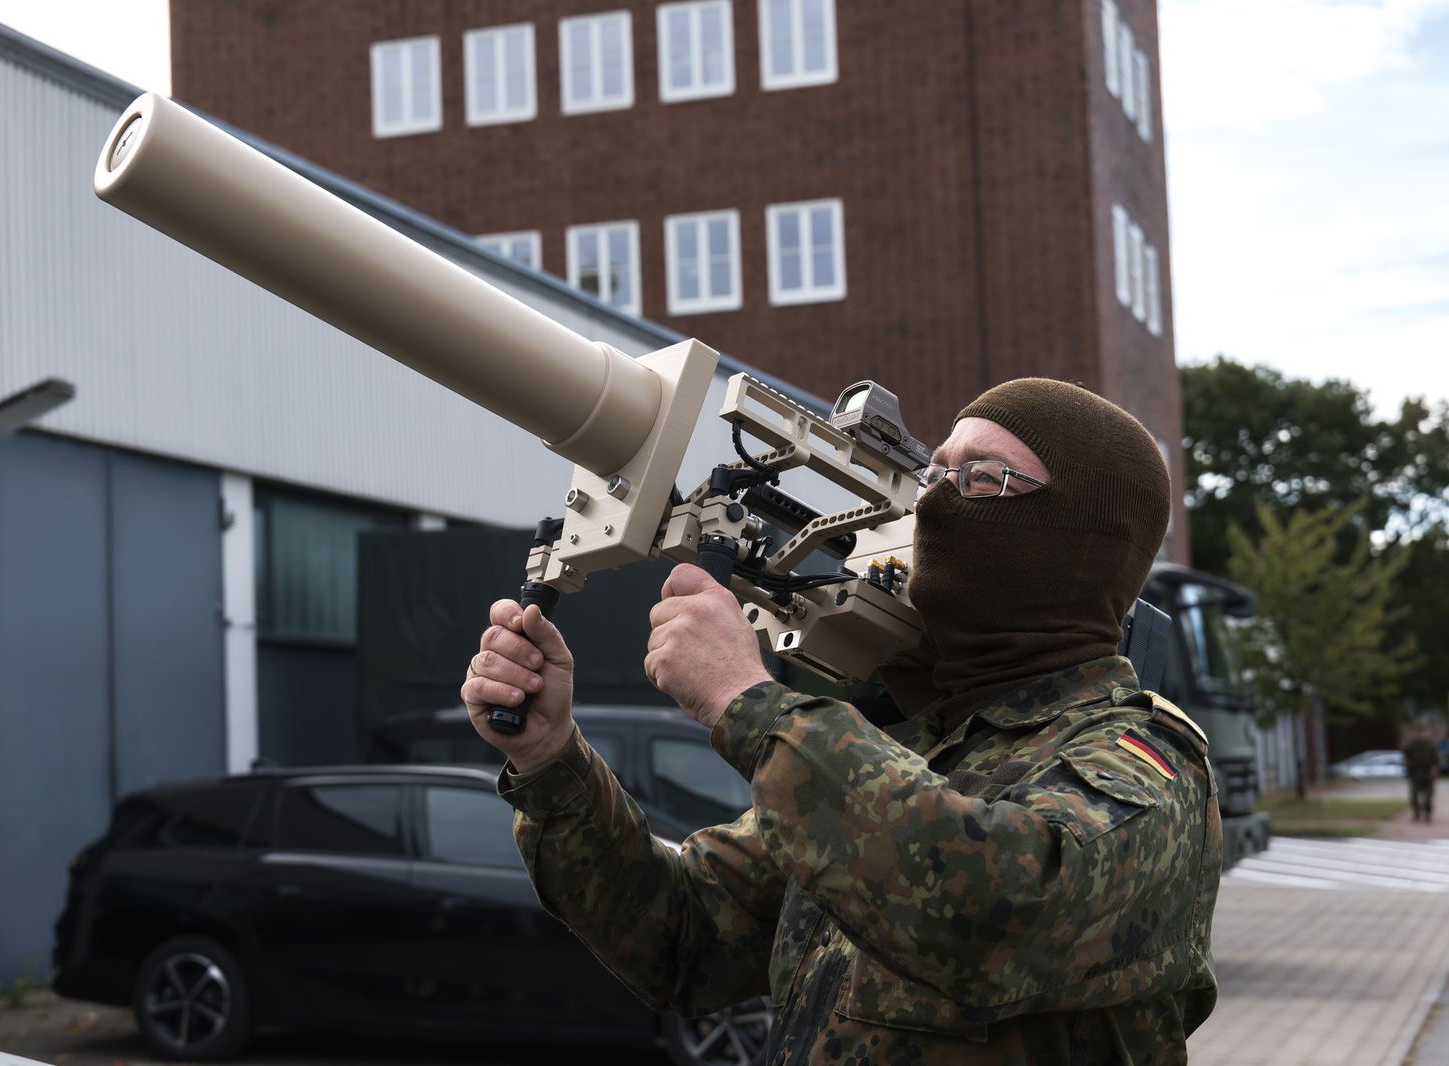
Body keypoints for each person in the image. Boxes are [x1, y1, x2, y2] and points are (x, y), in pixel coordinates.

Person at [462, 378, 1221, 1064]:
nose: (934, 502)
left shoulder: (1144, 757)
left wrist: (747, 702)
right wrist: (551, 758)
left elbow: (995, 916)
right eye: (934, 474)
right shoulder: (909, 748)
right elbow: (683, 935)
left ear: (1084, 546)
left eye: (981, 479)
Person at [1403, 730, 1439, 822]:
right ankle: (1422, 813)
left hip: (1419, 771)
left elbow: (1406, 756)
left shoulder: (1414, 743)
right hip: (1421, 771)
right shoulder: (1428, 743)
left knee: (1420, 794)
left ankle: (1420, 813)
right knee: (1424, 794)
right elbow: (1436, 758)